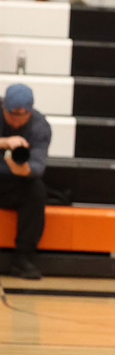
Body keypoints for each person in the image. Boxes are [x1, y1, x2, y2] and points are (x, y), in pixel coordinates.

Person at [0, 82, 51, 280]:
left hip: (14, 182)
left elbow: (38, 166)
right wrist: (5, 142)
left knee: (36, 190)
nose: (16, 121)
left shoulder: (40, 126)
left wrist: (23, 169)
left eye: (22, 116)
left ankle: (23, 259)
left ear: (30, 112)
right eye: (11, 115)